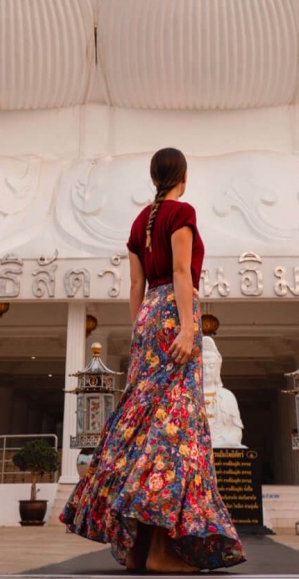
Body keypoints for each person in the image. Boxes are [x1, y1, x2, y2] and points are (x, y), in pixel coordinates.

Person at [60, 146, 245, 572]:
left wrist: (140, 333)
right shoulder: (181, 212)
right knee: (175, 429)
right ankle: (161, 550)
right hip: (174, 315)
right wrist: (185, 327)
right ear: (183, 175)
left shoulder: (139, 222)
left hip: (145, 322)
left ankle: (139, 548)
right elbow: (181, 273)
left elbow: (135, 286)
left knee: (145, 424)